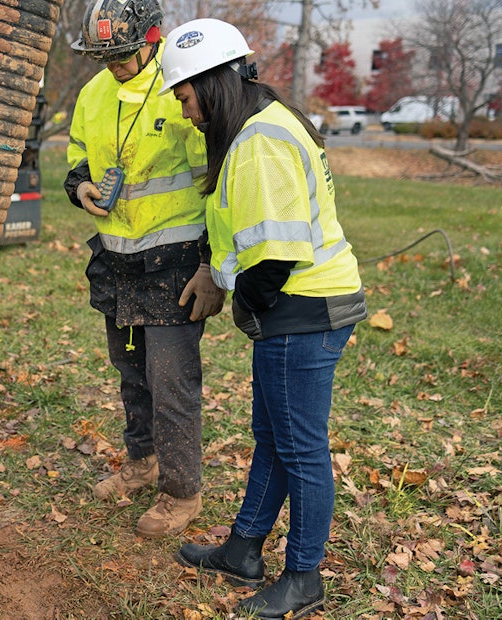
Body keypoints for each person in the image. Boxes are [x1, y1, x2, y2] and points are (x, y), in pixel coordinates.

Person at [159, 18, 368, 619]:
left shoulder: (260, 142)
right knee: (274, 439)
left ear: (213, 83)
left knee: (301, 449)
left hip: (303, 311)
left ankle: (302, 579)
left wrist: (246, 304)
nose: (185, 110)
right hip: (298, 310)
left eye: (185, 94)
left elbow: (275, 254)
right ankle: (244, 548)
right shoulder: (262, 126)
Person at [65, 0, 224, 538]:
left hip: (176, 264)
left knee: (170, 381)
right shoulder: (93, 95)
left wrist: (209, 263)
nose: (113, 65)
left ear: (152, 40)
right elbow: (77, 157)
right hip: (116, 261)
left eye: (122, 55)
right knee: (130, 370)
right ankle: (142, 460)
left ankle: (182, 492)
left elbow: (216, 185)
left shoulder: (180, 93)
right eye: (103, 56)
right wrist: (80, 186)